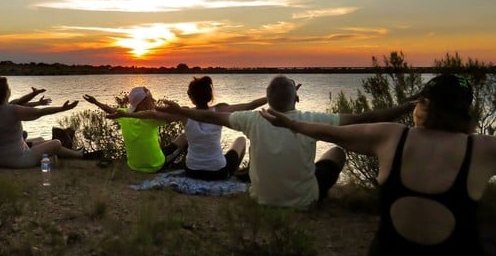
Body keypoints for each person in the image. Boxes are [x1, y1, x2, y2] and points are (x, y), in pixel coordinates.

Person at [260, 74, 496, 256]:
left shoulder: (392, 136)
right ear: (465, 113)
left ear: (424, 106)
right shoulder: (484, 149)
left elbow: (329, 132)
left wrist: (291, 124)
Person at [159, 75, 414, 208]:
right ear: (296, 99)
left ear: (269, 100)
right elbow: (366, 117)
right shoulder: (313, 119)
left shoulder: (250, 120)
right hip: (303, 202)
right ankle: (311, 194)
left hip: (261, 198)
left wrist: (181, 111)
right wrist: (405, 107)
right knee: (336, 152)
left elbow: (205, 115)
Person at [105, 77, 265, 180]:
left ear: (190, 96)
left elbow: (152, 114)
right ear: (210, 96)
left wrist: (127, 115)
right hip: (217, 172)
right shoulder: (221, 110)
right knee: (241, 140)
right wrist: (271, 98)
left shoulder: (183, 113)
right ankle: (236, 175)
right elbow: (249, 106)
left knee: (187, 134)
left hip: (192, 170)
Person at [0, 76, 100, 169]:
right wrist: (62, 108)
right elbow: (40, 112)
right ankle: (81, 156)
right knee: (56, 143)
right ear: (7, 93)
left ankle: (81, 155)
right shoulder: (13, 110)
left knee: (40, 141)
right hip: (17, 160)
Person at [83, 86, 189, 173]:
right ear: (143, 102)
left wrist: (95, 102)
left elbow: (109, 109)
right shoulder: (152, 119)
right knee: (185, 136)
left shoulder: (124, 114)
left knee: (160, 145)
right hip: (154, 166)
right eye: (151, 99)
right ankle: (187, 166)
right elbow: (182, 115)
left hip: (133, 166)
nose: (154, 100)